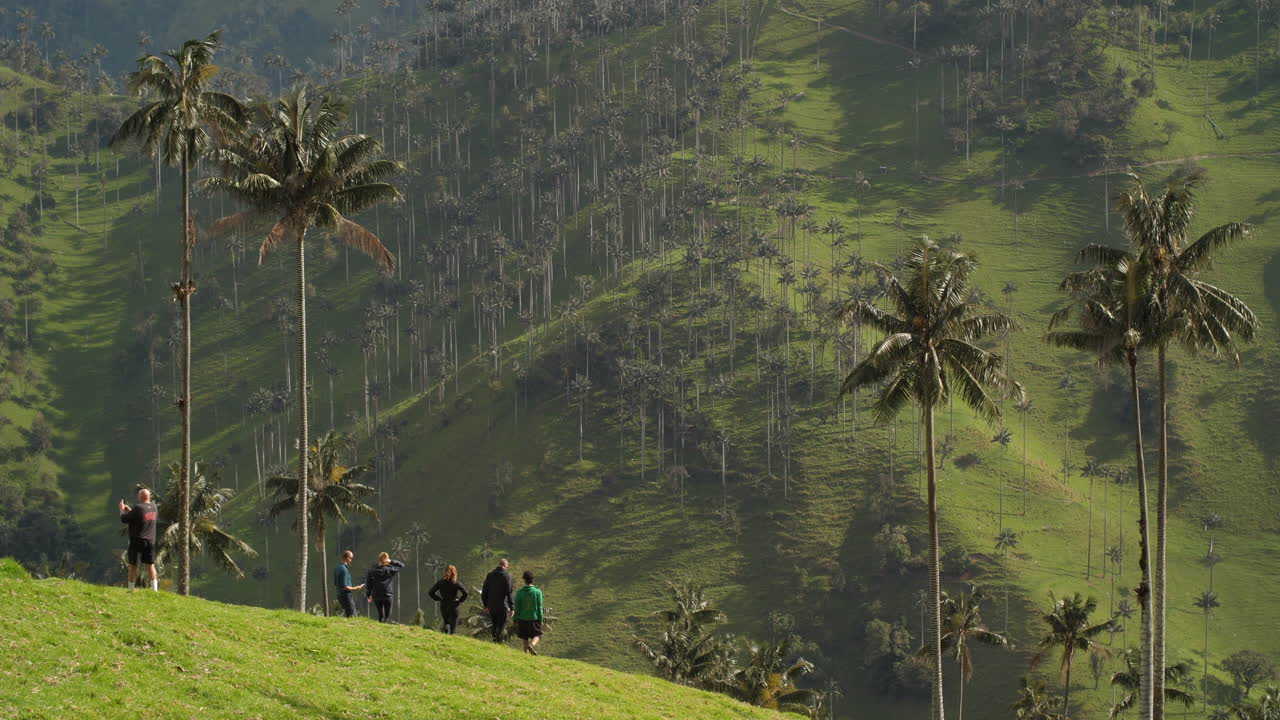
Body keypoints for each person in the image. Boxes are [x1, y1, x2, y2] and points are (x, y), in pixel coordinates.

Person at [119, 488, 158, 592]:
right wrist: (130, 511)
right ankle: (155, 590)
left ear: (140, 497)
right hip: (150, 541)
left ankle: (131, 590)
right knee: (150, 565)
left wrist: (122, 509)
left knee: (133, 565)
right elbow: (142, 516)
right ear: (149, 497)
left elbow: (124, 519)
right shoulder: (154, 508)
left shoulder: (138, 507)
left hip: (137, 540)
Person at [427, 565, 469, 634]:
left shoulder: (440, 582)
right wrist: (461, 600)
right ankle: (451, 639)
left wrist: (438, 598)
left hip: (444, 605)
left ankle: (444, 636)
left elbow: (431, 592)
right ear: (454, 573)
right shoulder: (456, 583)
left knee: (446, 621)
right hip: (454, 606)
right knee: (453, 626)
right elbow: (466, 593)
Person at [480, 558, 514, 642]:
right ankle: (498, 642)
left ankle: (494, 640)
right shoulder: (507, 576)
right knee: (501, 625)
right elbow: (509, 593)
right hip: (502, 606)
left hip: (492, 605)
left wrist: (485, 605)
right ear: (506, 566)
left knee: (494, 624)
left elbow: (484, 591)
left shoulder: (489, 575)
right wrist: (512, 607)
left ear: (499, 564)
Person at [365, 552, 405, 623]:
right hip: (387, 595)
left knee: (380, 614)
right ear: (387, 560)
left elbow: (369, 583)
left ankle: (380, 622)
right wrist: (391, 561)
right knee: (387, 616)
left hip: (376, 595)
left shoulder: (372, 571)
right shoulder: (390, 570)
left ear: (379, 560)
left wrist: (368, 595)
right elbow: (401, 565)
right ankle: (385, 624)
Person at [513, 569, 545, 655]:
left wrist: (515, 619)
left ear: (524, 579)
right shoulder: (538, 592)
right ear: (532, 579)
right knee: (538, 635)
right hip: (534, 618)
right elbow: (540, 607)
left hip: (522, 619)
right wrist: (541, 619)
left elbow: (517, 607)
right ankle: (532, 645)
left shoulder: (519, 592)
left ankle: (525, 654)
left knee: (525, 638)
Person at [333, 550, 364, 618]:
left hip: (339, 595)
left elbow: (335, 584)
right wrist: (356, 588)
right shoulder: (344, 569)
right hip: (346, 596)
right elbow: (345, 587)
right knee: (352, 616)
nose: (351, 560)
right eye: (351, 558)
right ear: (348, 558)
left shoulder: (337, 568)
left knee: (349, 614)